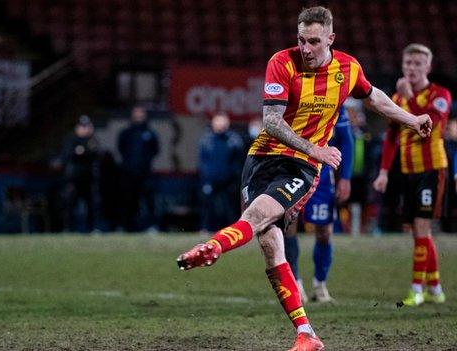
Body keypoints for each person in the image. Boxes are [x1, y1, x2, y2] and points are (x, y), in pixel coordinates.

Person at [176, 7, 432, 351]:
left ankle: (213, 247)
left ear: (330, 38)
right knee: (269, 243)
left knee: (256, 217)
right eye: (301, 40)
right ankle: (307, 334)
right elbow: (271, 121)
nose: (306, 48)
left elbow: (374, 98)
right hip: (262, 159)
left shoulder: (347, 67)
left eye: (313, 41)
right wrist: (318, 148)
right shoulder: (282, 62)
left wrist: (411, 119)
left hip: (301, 167)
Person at [372, 43, 451, 307]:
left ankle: (417, 289)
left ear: (428, 67)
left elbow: (432, 125)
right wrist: (383, 171)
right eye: (408, 64)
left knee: (421, 228)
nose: (412, 68)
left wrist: (410, 98)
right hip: (407, 171)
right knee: (419, 232)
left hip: (432, 169)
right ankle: (435, 286)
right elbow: (391, 137)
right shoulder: (397, 98)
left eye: (418, 64)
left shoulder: (440, 94)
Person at [284, 105, 354, 303]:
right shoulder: (295, 94)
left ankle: (320, 284)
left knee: (324, 232)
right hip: (291, 170)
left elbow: (346, 140)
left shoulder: (336, 98)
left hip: (321, 175)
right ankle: (295, 282)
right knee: (289, 226)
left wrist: (345, 178)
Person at [198, 112, 245, 232]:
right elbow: (203, 162)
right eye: (217, 121)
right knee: (208, 207)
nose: (220, 124)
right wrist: (205, 179)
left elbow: (239, 162)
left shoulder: (234, 140)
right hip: (210, 180)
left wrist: (234, 178)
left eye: (223, 121)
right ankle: (206, 228)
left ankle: (233, 231)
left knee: (229, 207)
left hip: (229, 181)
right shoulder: (206, 140)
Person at [117, 106, 160, 232]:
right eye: (136, 113)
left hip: (145, 173)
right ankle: (127, 227)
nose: (139, 116)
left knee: (148, 200)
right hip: (129, 173)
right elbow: (121, 149)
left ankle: (151, 226)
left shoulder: (150, 133)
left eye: (141, 113)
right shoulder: (126, 133)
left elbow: (155, 150)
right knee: (129, 201)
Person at [55, 115, 100, 233]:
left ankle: (91, 229)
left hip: (88, 178)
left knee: (91, 204)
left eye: (87, 126)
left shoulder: (92, 140)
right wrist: (81, 153)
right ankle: (68, 229)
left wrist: (81, 152)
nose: (84, 129)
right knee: (69, 204)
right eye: (82, 126)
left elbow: (94, 154)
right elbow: (67, 156)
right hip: (73, 178)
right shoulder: (70, 139)